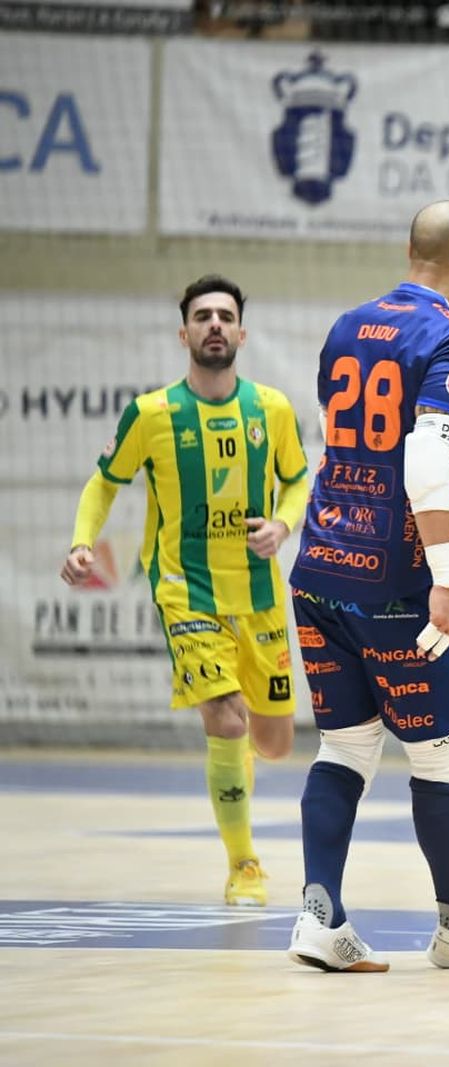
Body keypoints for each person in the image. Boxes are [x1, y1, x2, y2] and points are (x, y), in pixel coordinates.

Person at [284, 199, 449, 973]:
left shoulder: (348, 324)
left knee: (344, 743)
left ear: (409, 249)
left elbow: (350, 438)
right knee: (442, 753)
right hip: (396, 582)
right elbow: (422, 457)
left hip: (320, 566)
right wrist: (446, 581)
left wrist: (429, 460)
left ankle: (320, 916)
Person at [61, 274, 309, 907]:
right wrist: (83, 541)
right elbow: (103, 482)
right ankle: (244, 866)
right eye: (203, 316)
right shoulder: (152, 414)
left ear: (242, 334)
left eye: (225, 316)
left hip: (257, 593)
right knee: (224, 718)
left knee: (275, 743)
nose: (215, 324)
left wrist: (282, 525)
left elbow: (297, 481)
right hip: (185, 590)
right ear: (184, 334)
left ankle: (238, 759)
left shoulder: (272, 409)